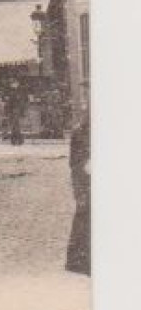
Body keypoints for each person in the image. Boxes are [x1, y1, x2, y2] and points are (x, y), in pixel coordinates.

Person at [65, 102, 90, 275]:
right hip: (85, 179)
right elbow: (74, 163)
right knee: (84, 213)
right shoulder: (80, 132)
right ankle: (79, 260)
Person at [3, 78, 27, 145]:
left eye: (14, 83)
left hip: (16, 109)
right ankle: (16, 139)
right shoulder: (10, 91)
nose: (12, 85)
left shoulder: (20, 92)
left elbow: (22, 102)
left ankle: (17, 139)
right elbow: (7, 102)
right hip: (11, 110)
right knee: (14, 125)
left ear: (17, 84)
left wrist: (22, 110)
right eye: (11, 84)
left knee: (15, 125)